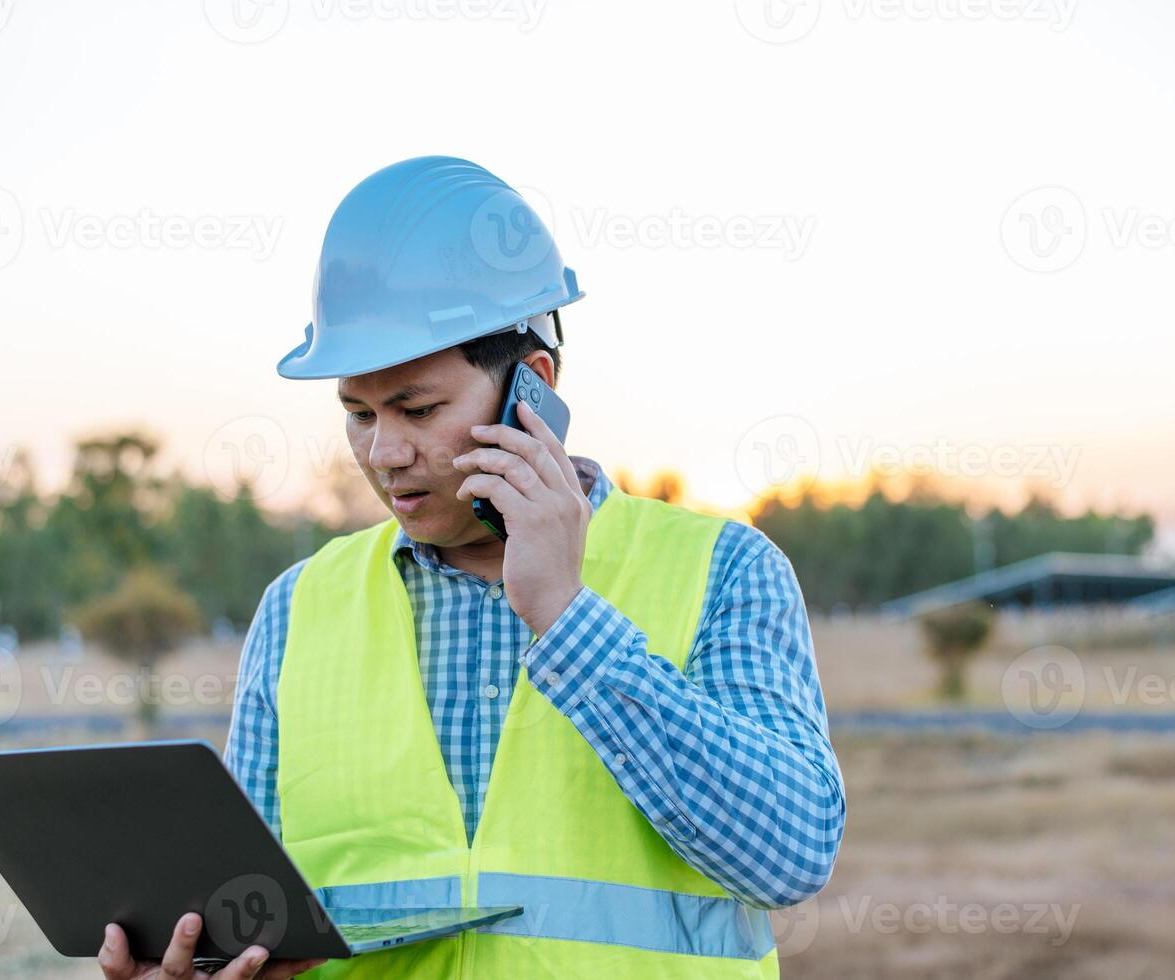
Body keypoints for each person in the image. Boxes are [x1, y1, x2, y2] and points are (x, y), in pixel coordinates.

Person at [99, 156, 845, 979]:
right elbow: (255, 913)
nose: (383, 453)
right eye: (357, 413)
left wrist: (567, 616)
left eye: (419, 409)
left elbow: (788, 857)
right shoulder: (297, 608)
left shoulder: (724, 571)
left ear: (534, 385)